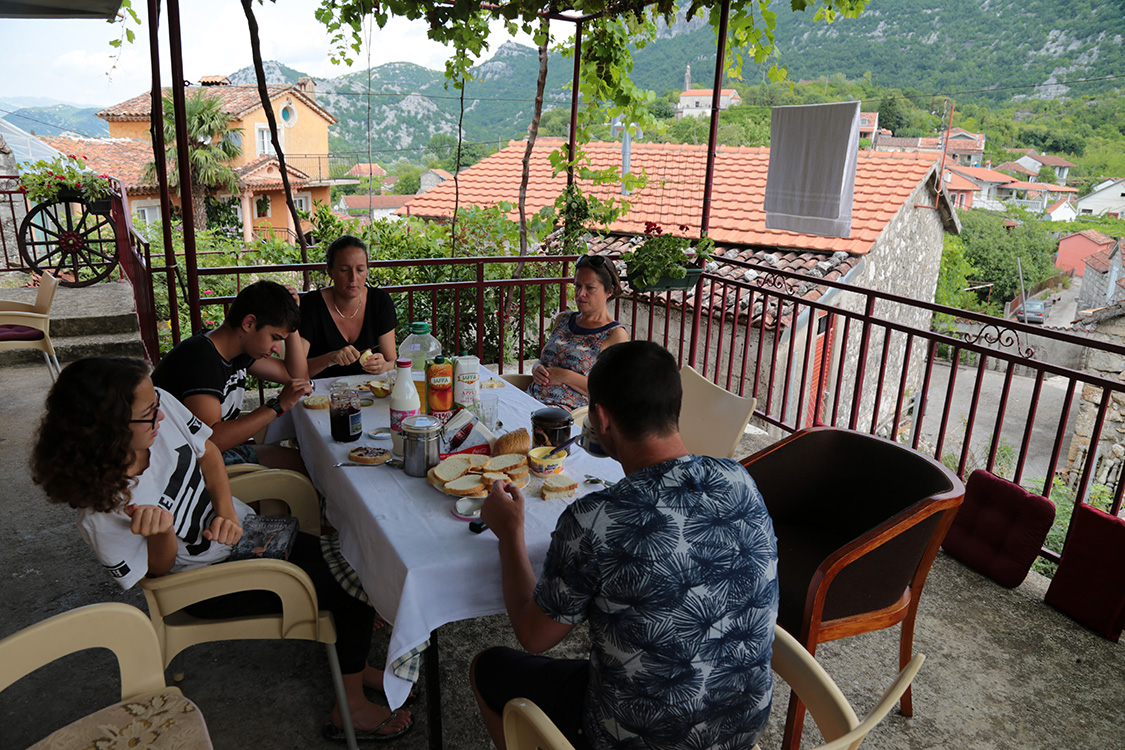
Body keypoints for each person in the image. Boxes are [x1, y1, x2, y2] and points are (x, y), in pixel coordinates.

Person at [29, 357, 413, 742]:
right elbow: (156, 575)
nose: (160, 414)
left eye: (157, 403)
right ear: (105, 430)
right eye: (148, 413)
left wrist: (227, 512)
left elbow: (208, 452)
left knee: (359, 560)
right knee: (350, 586)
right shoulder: (100, 509)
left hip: (249, 534)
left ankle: (355, 663)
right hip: (206, 582)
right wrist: (161, 533)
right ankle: (351, 709)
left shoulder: (157, 408)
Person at [471, 341, 778, 750]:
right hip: (742, 727)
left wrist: (509, 532)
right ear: (674, 407)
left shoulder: (595, 518)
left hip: (636, 738)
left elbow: (533, 634)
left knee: (487, 667)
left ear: (600, 417)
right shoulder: (739, 479)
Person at [151, 279, 311, 471]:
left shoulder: (235, 350)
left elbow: (296, 376)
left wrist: (289, 322)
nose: (277, 349)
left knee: (311, 463)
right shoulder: (201, 359)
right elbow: (210, 441)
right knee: (308, 469)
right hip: (180, 466)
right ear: (249, 323)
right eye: (275, 338)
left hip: (208, 453)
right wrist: (277, 406)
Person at [527, 254, 629, 410]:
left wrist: (566, 377)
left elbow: (611, 392)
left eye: (590, 287)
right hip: (529, 400)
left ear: (609, 291)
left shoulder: (615, 335)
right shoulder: (563, 319)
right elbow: (546, 361)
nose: (581, 293)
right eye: (577, 286)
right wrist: (536, 369)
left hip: (567, 417)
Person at [300, 234, 398, 379]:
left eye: (360, 270)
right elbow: (297, 371)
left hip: (369, 394)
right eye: (344, 270)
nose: (353, 278)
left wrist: (383, 366)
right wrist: (330, 358)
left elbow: (392, 361)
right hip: (320, 397)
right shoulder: (311, 305)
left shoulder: (379, 301)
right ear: (330, 272)